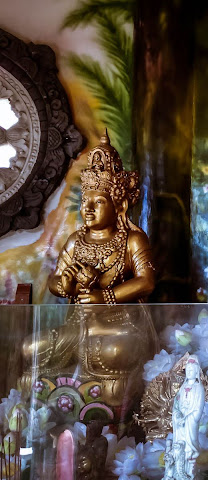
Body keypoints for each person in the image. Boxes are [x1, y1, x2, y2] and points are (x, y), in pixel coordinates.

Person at [21, 131, 157, 411]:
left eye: (98, 202)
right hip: (78, 325)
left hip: (118, 325)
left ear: (118, 205)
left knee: (114, 351)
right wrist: (65, 285)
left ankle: (86, 394)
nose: (88, 209)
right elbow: (55, 280)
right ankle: (80, 392)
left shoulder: (132, 240)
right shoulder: (76, 241)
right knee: (31, 348)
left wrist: (104, 297)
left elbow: (146, 282)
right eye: (85, 201)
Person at [172, 356, 205, 478]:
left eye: (192, 370)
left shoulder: (199, 388)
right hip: (180, 423)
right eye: (188, 370)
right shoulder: (182, 387)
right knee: (180, 446)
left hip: (190, 423)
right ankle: (179, 471)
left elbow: (198, 409)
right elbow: (176, 404)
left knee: (189, 447)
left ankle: (190, 470)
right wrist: (177, 415)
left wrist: (187, 419)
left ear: (196, 372)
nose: (189, 372)